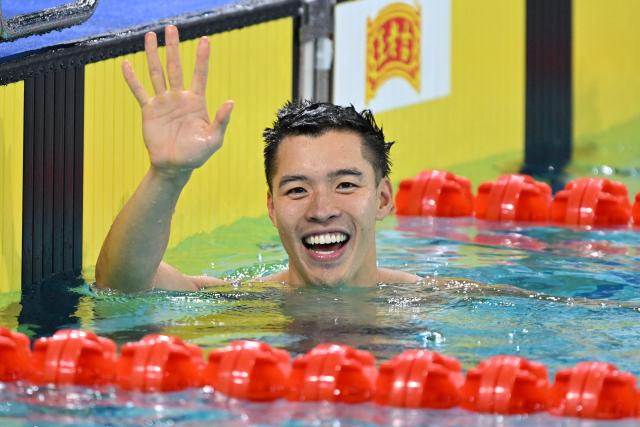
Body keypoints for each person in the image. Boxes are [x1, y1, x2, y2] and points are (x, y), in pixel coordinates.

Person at [94, 25, 419, 293]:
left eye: (345, 184)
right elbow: (122, 285)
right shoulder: (245, 302)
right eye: (297, 190)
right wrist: (167, 174)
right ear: (272, 208)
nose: (322, 211)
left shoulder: (444, 303)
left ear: (383, 199)